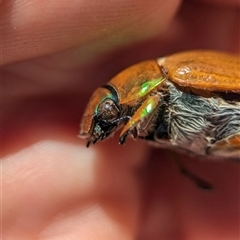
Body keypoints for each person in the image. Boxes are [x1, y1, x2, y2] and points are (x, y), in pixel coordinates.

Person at [2, 0, 239, 239]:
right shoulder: (147, 129)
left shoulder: (169, 79)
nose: (108, 122)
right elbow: (170, 143)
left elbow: (153, 100)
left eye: (107, 110)